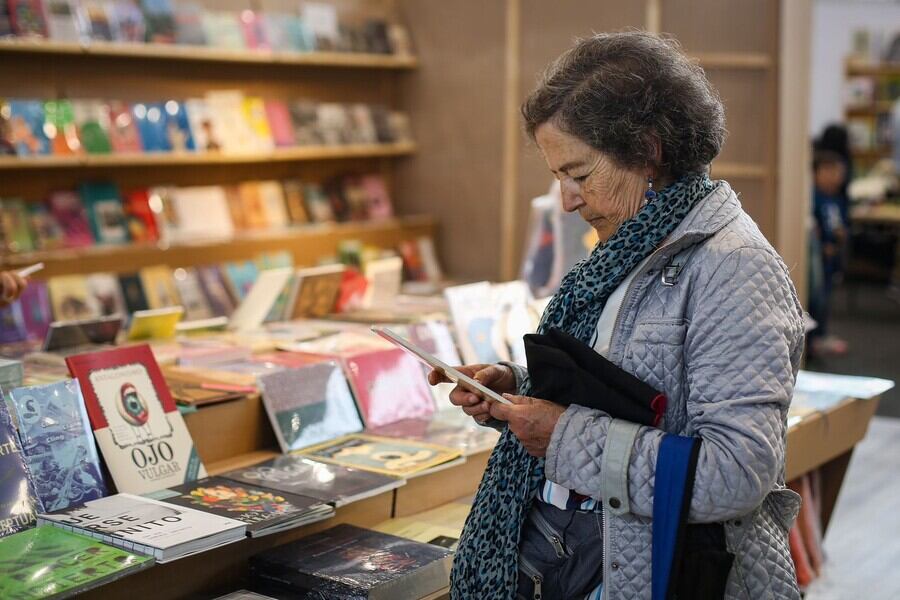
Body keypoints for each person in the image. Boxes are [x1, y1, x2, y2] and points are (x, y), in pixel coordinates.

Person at [429, 31, 804, 600]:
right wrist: (518, 390)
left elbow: (735, 474)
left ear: (649, 150)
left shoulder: (735, 268)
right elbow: (628, 387)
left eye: (579, 175)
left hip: (654, 568)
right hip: (582, 555)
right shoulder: (631, 245)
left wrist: (560, 435)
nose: (567, 201)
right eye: (559, 178)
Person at [809, 150, 849, 356]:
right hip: (820, 255)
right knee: (817, 297)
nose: (837, 177)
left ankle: (822, 335)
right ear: (818, 172)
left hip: (833, 258)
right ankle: (815, 338)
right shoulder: (813, 198)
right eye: (832, 172)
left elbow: (841, 224)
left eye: (840, 173)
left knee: (826, 295)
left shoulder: (838, 199)